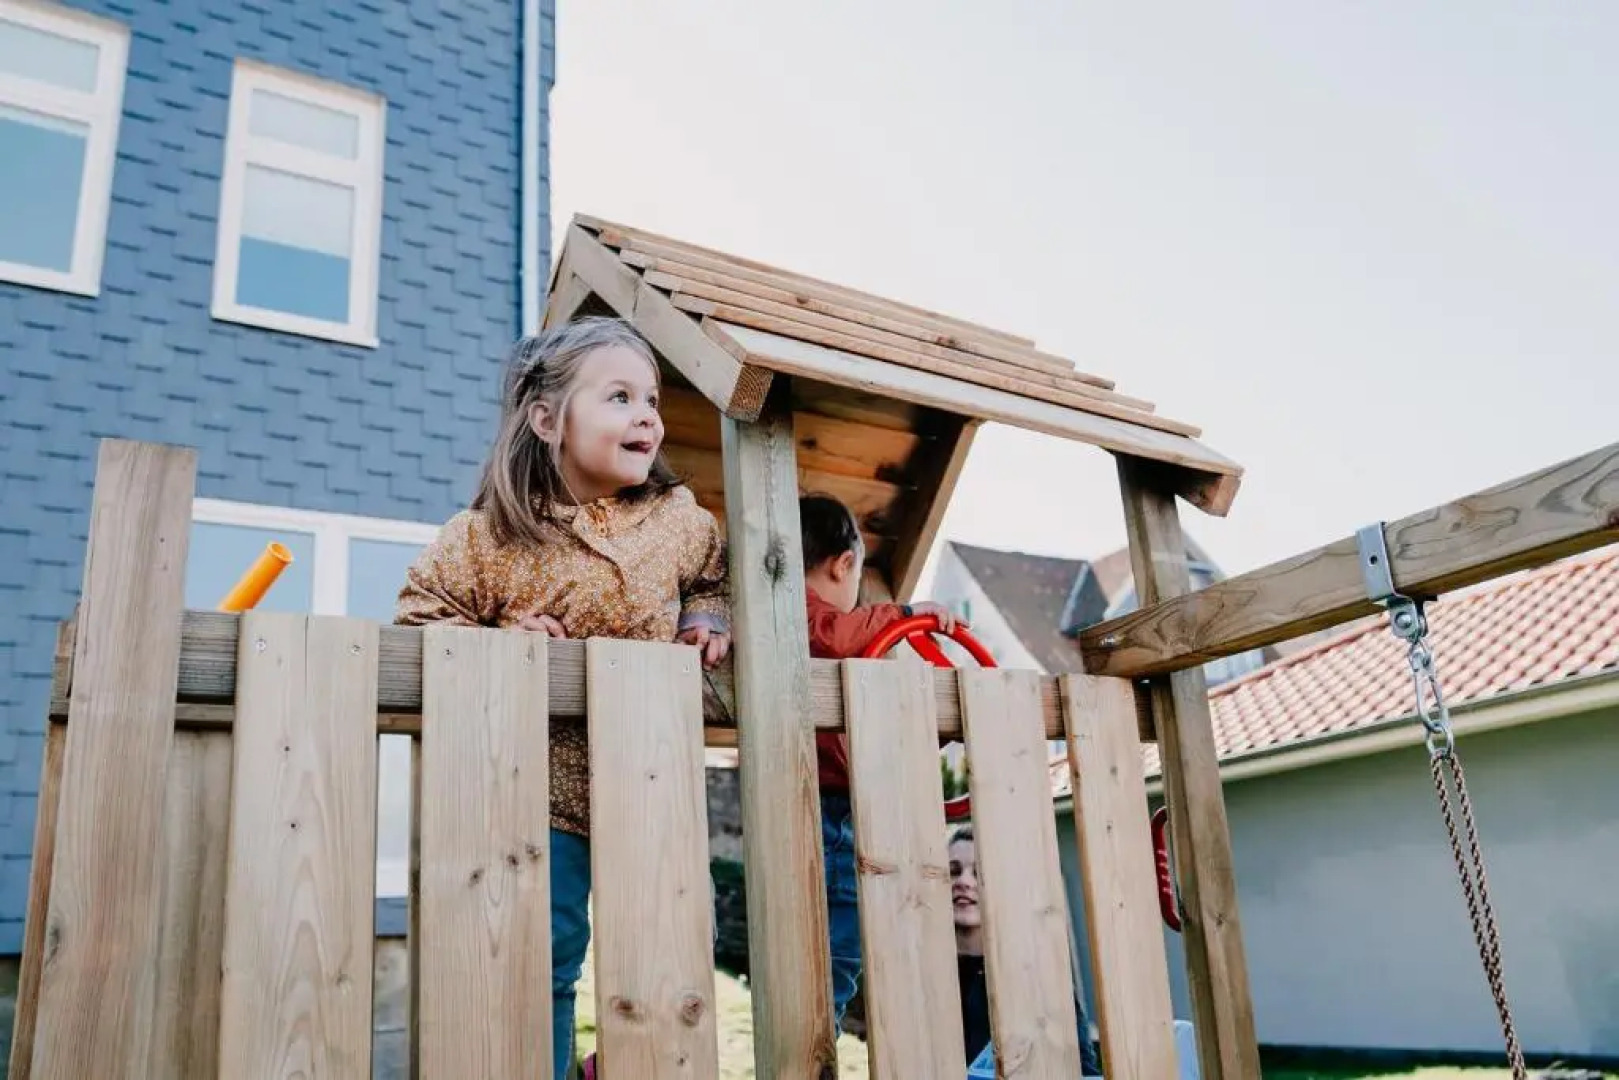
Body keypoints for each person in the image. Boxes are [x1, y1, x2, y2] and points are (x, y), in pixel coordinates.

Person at [395, 316, 732, 1078]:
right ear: (547, 420)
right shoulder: (486, 537)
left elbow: (720, 575)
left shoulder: (677, 522)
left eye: (649, 398)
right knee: (548, 954)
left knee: (667, 949)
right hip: (538, 797)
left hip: (649, 784)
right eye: (618, 396)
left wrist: (707, 615)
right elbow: (420, 617)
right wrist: (499, 639)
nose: (646, 414)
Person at [798, 493, 961, 1031]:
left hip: (838, 801)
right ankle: (824, 1018)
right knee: (838, 928)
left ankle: (826, 1011)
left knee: (842, 920)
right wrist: (908, 614)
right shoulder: (804, 617)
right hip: (829, 805)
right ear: (843, 565)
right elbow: (835, 635)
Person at [950, 824, 1105, 1075]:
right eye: (953, 872)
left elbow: (1084, 1072)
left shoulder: (1040, 978)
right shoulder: (925, 982)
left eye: (979, 873)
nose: (964, 882)